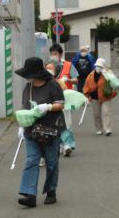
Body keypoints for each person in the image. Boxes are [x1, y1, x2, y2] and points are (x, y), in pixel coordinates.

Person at [15, 57, 65, 207]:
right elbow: (25, 108)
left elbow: (60, 104)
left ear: (38, 73)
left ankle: (51, 191)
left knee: (51, 162)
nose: (28, 77)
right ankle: (30, 194)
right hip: (32, 130)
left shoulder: (53, 85)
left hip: (51, 129)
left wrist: (48, 107)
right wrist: (21, 126)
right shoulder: (28, 87)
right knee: (31, 159)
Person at [45, 62, 75, 157]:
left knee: (64, 128)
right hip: (47, 111)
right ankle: (58, 148)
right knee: (52, 130)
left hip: (61, 109)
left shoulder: (60, 81)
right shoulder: (42, 83)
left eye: (51, 68)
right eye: (47, 68)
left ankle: (66, 146)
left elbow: (65, 93)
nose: (49, 70)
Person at [83, 58, 118, 136]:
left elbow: (115, 84)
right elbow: (86, 86)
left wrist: (106, 75)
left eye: (100, 66)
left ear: (104, 66)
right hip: (94, 97)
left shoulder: (108, 73)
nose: (98, 68)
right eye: (97, 66)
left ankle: (108, 129)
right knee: (96, 114)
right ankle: (98, 129)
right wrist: (87, 96)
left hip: (106, 96)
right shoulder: (91, 75)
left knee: (106, 113)